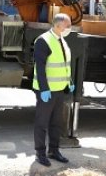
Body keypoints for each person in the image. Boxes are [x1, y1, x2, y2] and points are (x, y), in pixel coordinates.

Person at [32, 13, 75, 167]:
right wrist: (44, 89)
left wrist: (69, 81)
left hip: (59, 90)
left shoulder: (62, 40)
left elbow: (64, 64)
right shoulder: (43, 41)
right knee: (42, 123)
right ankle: (40, 153)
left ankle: (54, 150)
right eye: (67, 25)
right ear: (58, 25)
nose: (69, 28)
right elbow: (40, 68)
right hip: (46, 91)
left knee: (57, 123)